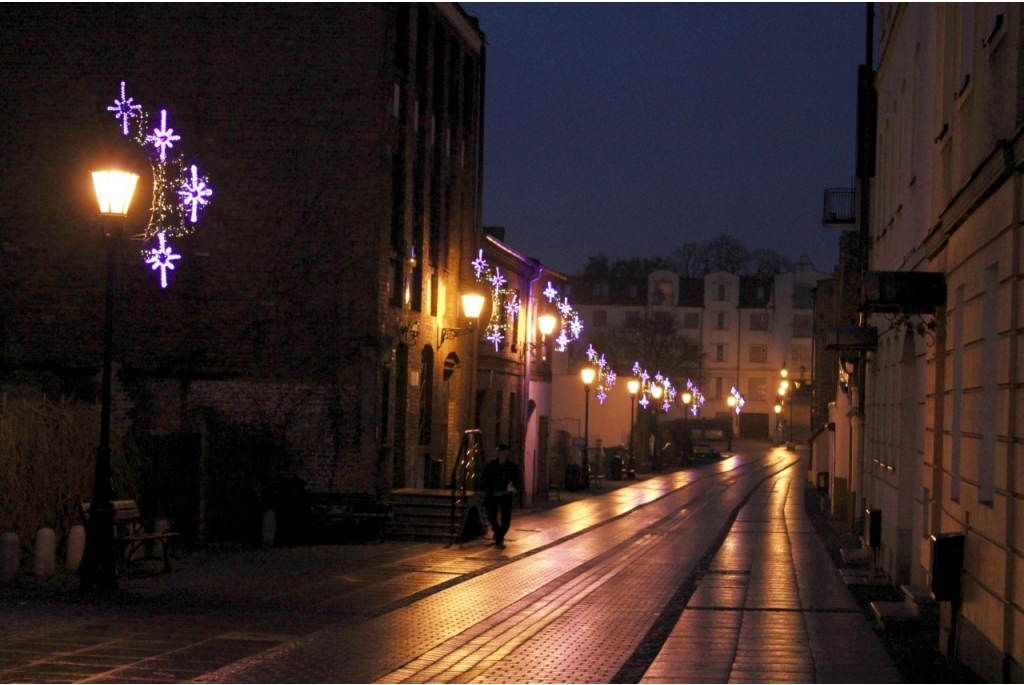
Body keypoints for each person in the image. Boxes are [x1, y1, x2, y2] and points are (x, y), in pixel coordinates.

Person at [481, 444, 522, 549]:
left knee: (505, 519)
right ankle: (498, 532)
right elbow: (485, 478)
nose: (499, 453)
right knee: (491, 515)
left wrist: (512, 490)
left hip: (505, 496)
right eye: (498, 451)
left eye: (501, 451)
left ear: (506, 453)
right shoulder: (491, 465)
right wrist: (483, 490)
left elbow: (517, 481)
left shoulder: (512, 466)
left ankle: (499, 537)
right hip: (492, 494)